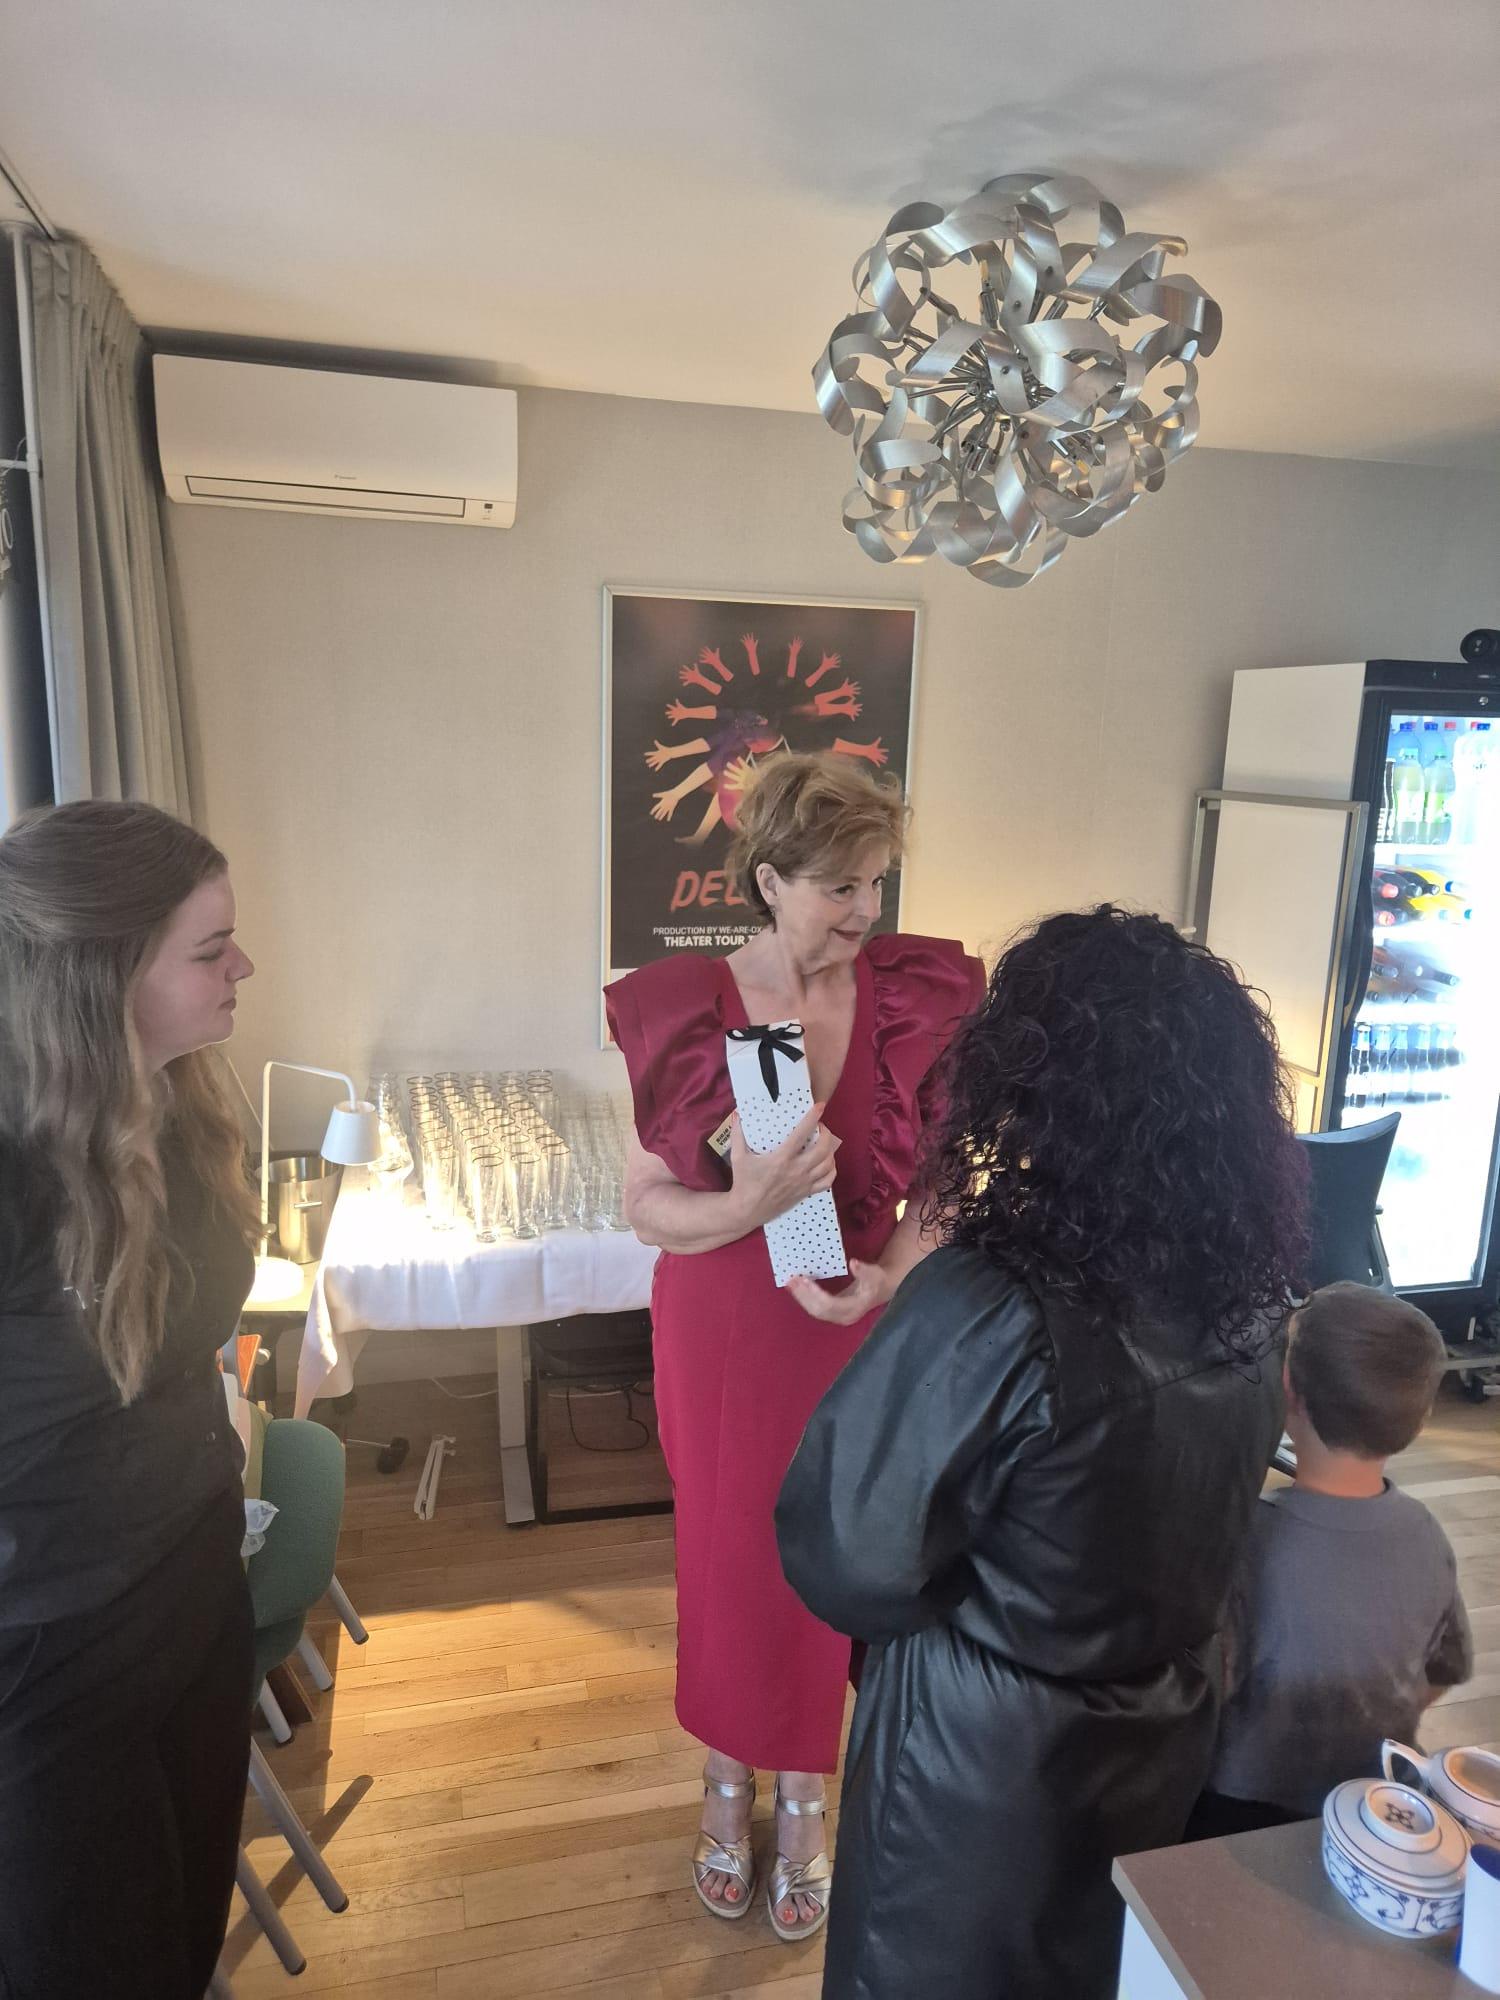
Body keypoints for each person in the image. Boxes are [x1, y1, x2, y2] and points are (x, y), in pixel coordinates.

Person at [775, 904, 1310, 1998]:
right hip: (1158, 1742)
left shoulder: (994, 1304)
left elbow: (845, 1552)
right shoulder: (1253, 1304)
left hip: (978, 1775)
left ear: (1033, 1086)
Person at [605, 753, 985, 1941]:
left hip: (856, 1322)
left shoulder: (915, 995)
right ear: (769, 880)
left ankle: (808, 1788)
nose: (866, 910)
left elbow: (947, 1184)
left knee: (840, 1553)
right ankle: (727, 1779)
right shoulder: (687, 1005)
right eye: (839, 887)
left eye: (877, 882)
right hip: (724, 1329)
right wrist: (748, 1205)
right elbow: (646, 1206)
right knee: (732, 1556)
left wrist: (894, 1276)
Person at [0, 800, 260, 2000]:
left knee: (181, 1935)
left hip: (193, 1575)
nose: (243, 966)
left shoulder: (178, 1099)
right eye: (210, 949)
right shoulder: (16, 1169)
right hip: (49, 1640)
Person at [1186, 1281, 1472, 1839]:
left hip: (1244, 1802)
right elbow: (1444, 1670)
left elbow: (1211, 1687)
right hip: (1378, 1801)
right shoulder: (1427, 1533)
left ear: (1288, 1390)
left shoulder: (1247, 1536)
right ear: (1420, 1420)